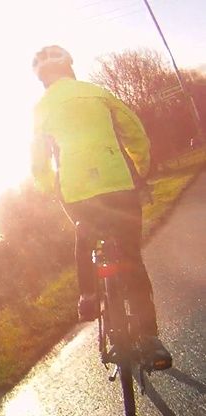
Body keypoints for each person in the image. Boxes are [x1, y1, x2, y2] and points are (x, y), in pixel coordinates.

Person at [30, 45, 172, 370]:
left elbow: (38, 158)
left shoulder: (41, 108)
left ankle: (88, 297)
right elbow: (133, 131)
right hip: (116, 183)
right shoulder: (97, 92)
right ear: (70, 67)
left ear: (42, 80)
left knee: (84, 227)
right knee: (132, 258)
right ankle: (150, 339)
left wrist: (46, 185)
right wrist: (143, 164)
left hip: (76, 189)